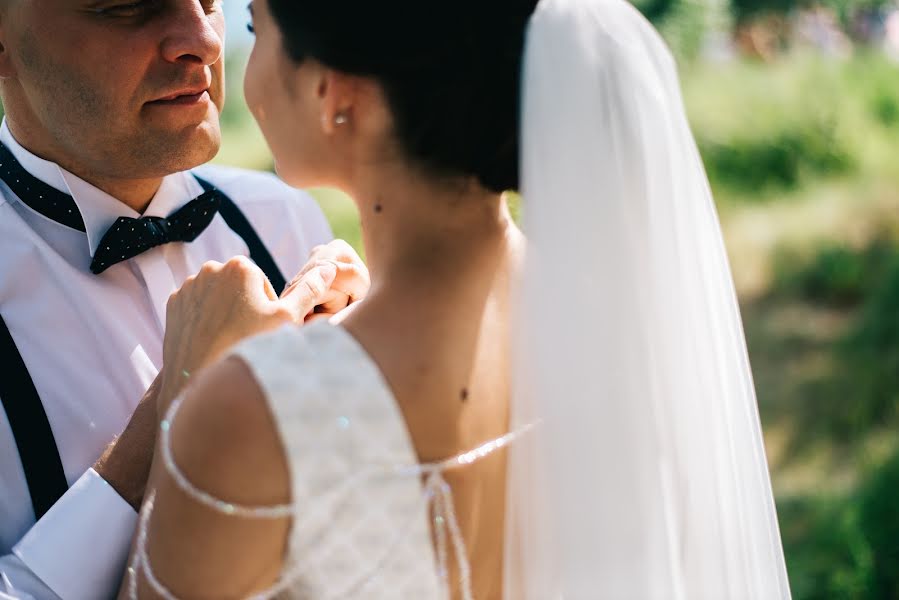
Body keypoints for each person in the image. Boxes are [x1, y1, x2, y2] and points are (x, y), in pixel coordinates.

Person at [125, 0, 793, 598]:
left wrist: (187, 388)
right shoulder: (617, 314)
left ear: (333, 93)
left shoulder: (246, 413)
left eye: (253, 28)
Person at [0, 1, 369, 598]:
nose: (202, 39)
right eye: (129, 7)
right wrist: (177, 403)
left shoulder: (283, 218)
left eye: (208, 1)